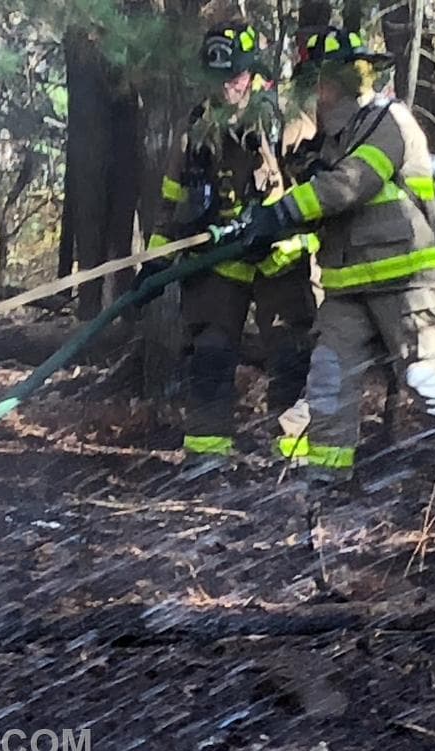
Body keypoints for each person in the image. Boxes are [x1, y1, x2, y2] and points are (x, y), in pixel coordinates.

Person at [219, 27, 435, 482]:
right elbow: (321, 209)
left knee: (428, 381)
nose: (312, 94)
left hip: (406, 286)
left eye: (317, 82)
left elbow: (351, 184)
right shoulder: (330, 141)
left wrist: (283, 211)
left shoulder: (389, 122)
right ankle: (328, 484)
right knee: (329, 386)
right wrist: (265, 228)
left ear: (340, 80)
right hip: (345, 290)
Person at [142, 22, 318, 464]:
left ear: (251, 72)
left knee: (292, 354)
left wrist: (286, 233)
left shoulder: (285, 120)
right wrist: (157, 261)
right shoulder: (196, 128)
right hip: (218, 264)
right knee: (210, 354)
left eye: (235, 77)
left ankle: (293, 453)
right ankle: (207, 452)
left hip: (280, 261)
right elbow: (172, 199)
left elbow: (320, 193)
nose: (227, 88)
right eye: (218, 78)